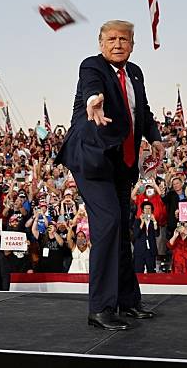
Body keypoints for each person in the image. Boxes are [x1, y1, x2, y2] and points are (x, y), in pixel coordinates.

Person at [55, 20, 161, 330]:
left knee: (121, 230)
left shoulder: (136, 73)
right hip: (92, 160)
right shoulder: (92, 66)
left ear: (132, 44)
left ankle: (127, 302)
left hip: (121, 162)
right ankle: (100, 308)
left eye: (124, 39)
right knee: (109, 223)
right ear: (101, 43)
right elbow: (92, 88)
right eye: (111, 39)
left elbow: (144, 110)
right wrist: (93, 101)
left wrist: (154, 137)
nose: (118, 44)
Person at [132, 201, 158, 273]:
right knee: (138, 272)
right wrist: (142, 222)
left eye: (149, 209)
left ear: (152, 210)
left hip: (150, 250)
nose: (147, 211)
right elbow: (136, 235)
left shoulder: (154, 221)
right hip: (140, 250)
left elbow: (157, 234)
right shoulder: (137, 221)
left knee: (151, 272)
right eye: (145, 209)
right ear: (142, 210)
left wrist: (155, 221)